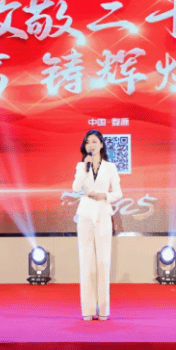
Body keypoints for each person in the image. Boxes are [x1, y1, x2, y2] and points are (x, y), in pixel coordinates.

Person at [73, 129, 122, 321]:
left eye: (94, 141)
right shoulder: (81, 166)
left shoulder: (110, 167)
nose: (90, 145)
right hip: (85, 215)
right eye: (87, 142)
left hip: (102, 214)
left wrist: (104, 196)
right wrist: (83, 168)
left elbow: (118, 193)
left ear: (101, 144)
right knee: (86, 263)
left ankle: (103, 310)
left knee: (103, 262)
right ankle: (87, 310)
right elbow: (75, 188)